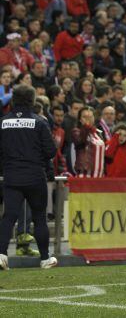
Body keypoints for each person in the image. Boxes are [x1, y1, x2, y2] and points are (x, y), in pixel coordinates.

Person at [0, 85, 57, 269]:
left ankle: (1, 255)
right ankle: (45, 258)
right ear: (32, 101)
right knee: (39, 218)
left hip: (11, 176)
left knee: (8, 217)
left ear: (13, 100)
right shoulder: (39, 122)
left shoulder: (2, 122)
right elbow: (50, 151)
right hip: (34, 177)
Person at [71, 106, 106, 177]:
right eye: (85, 117)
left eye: (90, 117)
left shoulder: (98, 132)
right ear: (80, 119)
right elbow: (80, 141)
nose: (88, 119)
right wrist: (86, 127)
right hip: (85, 173)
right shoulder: (77, 131)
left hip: (99, 174)